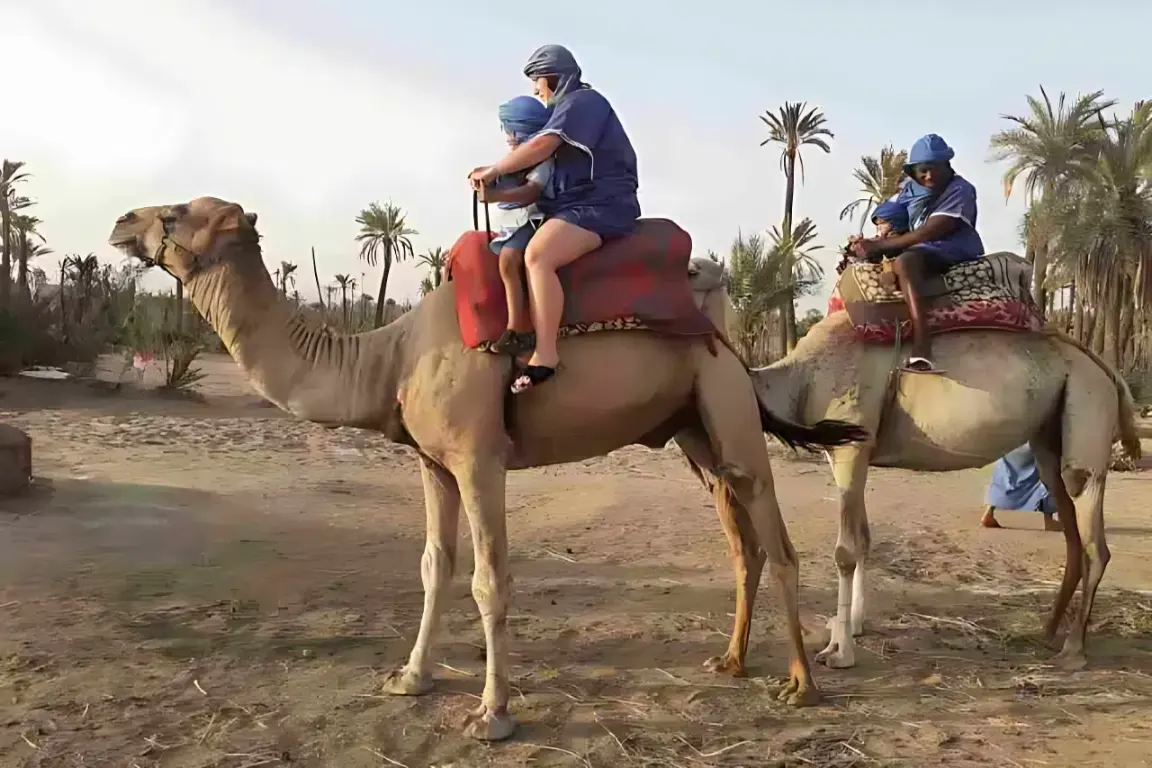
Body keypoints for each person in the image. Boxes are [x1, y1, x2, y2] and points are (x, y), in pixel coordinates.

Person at [469, 44, 640, 394]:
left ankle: (545, 356)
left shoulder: (583, 103)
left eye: (538, 85)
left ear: (552, 78)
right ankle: (518, 328)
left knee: (538, 255)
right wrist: (495, 183)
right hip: (575, 204)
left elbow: (543, 145)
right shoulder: (567, 109)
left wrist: (495, 170)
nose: (538, 93)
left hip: (601, 205)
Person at [851, 134, 984, 373]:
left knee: (905, 263)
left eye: (934, 169)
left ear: (947, 166)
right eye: (923, 170)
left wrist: (883, 246)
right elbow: (890, 214)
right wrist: (869, 242)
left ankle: (923, 347)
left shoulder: (960, 190)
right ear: (913, 172)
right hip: (915, 244)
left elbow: (932, 231)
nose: (929, 176)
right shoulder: (909, 191)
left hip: (950, 247)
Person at [478, 95, 555, 356]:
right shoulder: (519, 158)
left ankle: (519, 327)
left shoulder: (543, 161)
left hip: (538, 218)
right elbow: (503, 173)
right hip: (520, 220)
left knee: (509, 259)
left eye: (511, 130)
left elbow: (531, 192)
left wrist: (496, 196)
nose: (507, 136)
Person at [981, 443, 1062, 532]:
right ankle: (1049, 520)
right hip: (1032, 441)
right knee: (1047, 471)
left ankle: (988, 513)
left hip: (1011, 440)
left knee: (1003, 470)